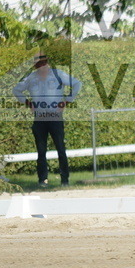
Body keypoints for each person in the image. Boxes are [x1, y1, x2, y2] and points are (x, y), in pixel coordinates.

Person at [12, 53, 83, 186]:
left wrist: (66, 101)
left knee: (60, 148)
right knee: (41, 150)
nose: (42, 66)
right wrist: (28, 103)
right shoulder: (31, 78)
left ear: (47, 62)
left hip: (55, 116)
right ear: (35, 65)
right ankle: (42, 180)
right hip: (39, 118)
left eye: (44, 63)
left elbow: (77, 84)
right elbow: (16, 90)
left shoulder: (58, 74)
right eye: (39, 64)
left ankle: (65, 180)